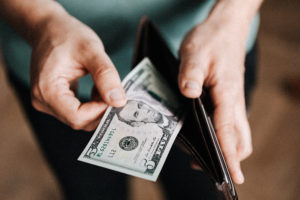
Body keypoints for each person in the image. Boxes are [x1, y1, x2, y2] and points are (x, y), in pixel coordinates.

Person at [0, 0, 263, 199]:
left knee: (200, 189)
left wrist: (233, 18)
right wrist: (41, 19)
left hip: (212, 55)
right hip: (59, 72)